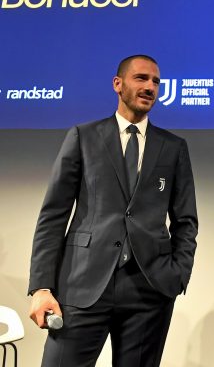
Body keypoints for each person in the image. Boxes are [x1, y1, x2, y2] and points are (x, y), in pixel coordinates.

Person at [28, 55, 198, 367]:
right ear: (117, 84)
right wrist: (41, 287)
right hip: (82, 284)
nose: (150, 87)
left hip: (150, 290)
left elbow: (186, 221)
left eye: (156, 82)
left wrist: (177, 276)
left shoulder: (173, 147)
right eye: (141, 78)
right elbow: (53, 215)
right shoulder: (83, 136)